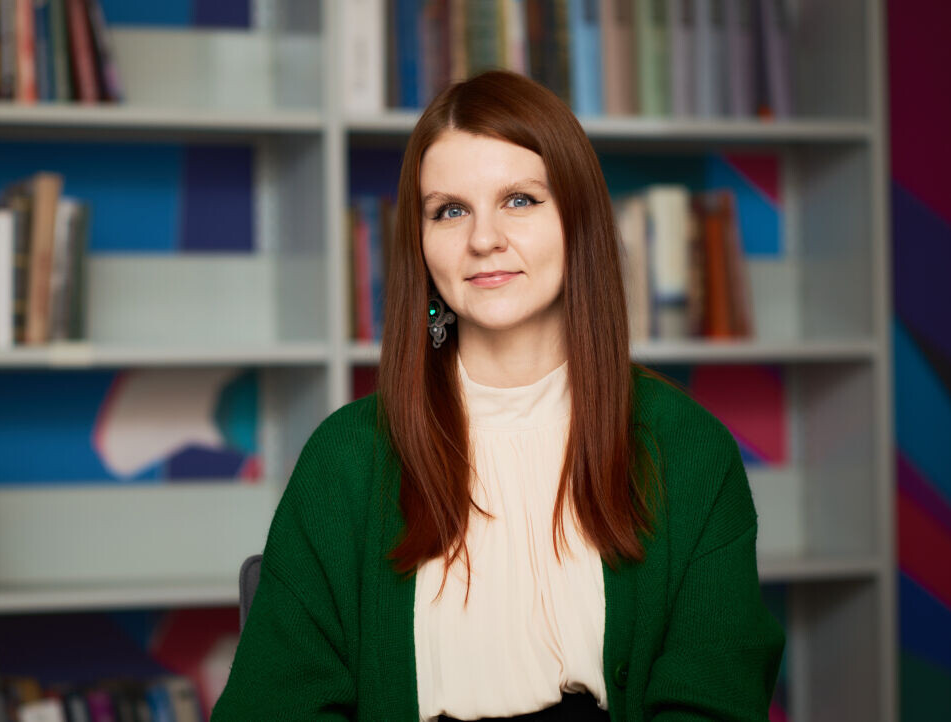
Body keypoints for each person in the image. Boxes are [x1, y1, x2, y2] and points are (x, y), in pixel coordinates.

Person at [212, 70, 784, 721]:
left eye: (519, 200)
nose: (483, 239)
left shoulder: (689, 452)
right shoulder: (344, 460)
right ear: (420, 245)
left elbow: (714, 702)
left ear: (578, 220)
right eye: (449, 210)